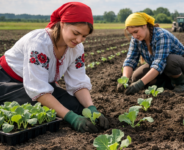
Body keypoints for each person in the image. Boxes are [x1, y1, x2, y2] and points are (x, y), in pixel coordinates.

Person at [0, 2, 109, 133]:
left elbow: (78, 81)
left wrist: (92, 109)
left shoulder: (76, 48)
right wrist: (71, 118)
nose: (79, 40)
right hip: (9, 82)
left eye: (84, 36)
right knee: (37, 108)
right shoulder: (39, 43)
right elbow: (37, 89)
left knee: (76, 107)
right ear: (62, 24)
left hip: (39, 84)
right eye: (76, 33)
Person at [117, 12, 184, 94]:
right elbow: (131, 59)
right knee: (136, 77)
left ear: (145, 25)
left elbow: (159, 63)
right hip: (164, 68)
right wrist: (124, 79)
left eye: (136, 31)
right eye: (131, 33)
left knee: (169, 60)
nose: (134, 36)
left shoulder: (161, 35)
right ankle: (168, 83)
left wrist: (139, 84)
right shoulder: (136, 39)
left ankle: (180, 82)